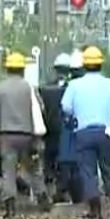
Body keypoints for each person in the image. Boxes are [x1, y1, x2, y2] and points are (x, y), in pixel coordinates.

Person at [60, 45, 110, 219]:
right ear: (101, 65)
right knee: (109, 170)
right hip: (107, 132)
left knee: (88, 171)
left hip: (84, 132)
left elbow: (66, 107)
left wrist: (73, 117)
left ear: (84, 65)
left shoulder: (74, 85)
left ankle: (95, 210)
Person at [0, 51, 51, 219]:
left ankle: (10, 207)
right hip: (27, 135)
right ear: (22, 69)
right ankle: (43, 197)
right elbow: (40, 110)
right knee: (33, 168)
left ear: (7, 68)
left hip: (6, 136)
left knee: (8, 170)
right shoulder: (29, 88)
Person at [39, 53, 73, 200]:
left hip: (49, 130)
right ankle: (62, 189)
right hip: (66, 130)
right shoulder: (73, 88)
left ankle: (49, 185)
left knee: (49, 159)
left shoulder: (45, 88)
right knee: (65, 160)